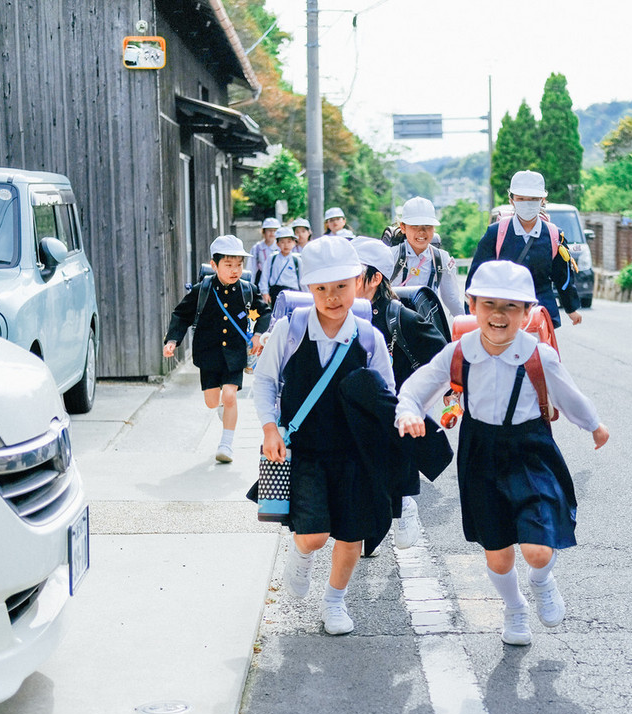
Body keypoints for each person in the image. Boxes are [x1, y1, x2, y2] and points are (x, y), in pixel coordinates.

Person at [396, 261, 609, 646]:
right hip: (480, 454)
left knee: (539, 551)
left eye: (511, 306)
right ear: (472, 304)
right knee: (497, 555)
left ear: (527, 312)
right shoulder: (458, 353)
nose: (498, 314)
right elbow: (417, 387)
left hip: (531, 452)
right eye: (489, 303)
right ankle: (514, 608)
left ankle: (542, 582)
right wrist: (408, 411)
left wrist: (593, 425)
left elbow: (568, 396)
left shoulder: (538, 355)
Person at [252, 236, 395, 635]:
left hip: (355, 454)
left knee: (351, 536)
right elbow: (264, 382)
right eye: (321, 289)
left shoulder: (370, 338)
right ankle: (299, 556)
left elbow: (388, 396)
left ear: (359, 281)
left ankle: (334, 601)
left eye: (341, 287)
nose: (332, 297)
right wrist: (269, 428)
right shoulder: (290, 329)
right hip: (306, 452)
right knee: (313, 536)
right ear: (308, 289)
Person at [352, 237, 448, 557]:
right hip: (353, 412)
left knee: (391, 474)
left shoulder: (399, 317)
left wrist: (438, 395)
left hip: (394, 413)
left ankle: (406, 504)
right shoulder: (336, 313)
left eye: (354, 273)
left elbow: (443, 356)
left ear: (375, 278)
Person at [163, 235, 270, 463]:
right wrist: (172, 340)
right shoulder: (202, 290)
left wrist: (259, 335)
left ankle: (226, 445)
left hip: (235, 353)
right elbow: (181, 315)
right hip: (208, 353)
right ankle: (222, 407)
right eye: (229, 265)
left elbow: (264, 312)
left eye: (239, 265)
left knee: (230, 395)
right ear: (214, 265)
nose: (235, 270)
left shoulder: (247, 290)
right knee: (212, 401)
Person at [466, 171, 582, 328]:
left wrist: (571, 308)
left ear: (543, 200)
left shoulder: (554, 235)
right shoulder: (496, 233)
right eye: (521, 199)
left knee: (541, 353)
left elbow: (563, 276)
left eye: (533, 199)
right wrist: (470, 311)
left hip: (542, 314)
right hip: (503, 311)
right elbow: (478, 273)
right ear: (511, 200)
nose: (527, 204)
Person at [389, 197, 462, 317]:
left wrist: (464, 326)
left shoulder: (441, 259)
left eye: (427, 226)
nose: (422, 231)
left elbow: (451, 299)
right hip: (394, 322)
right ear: (403, 227)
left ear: (434, 228)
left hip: (426, 324)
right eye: (415, 226)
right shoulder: (391, 256)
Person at [260, 226, 301, 305]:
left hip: (294, 292)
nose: (286, 245)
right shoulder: (272, 258)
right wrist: (265, 292)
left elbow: (301, 280)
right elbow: (265, 276)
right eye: (282, 242)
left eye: (289, 241)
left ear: (294, 242)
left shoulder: (297, 260)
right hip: (276, 292)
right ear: (277, 243)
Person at [248, 217, 280, 288]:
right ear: (263, 232)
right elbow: (251, 268)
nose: (272, 233)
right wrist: (250, 285)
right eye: (269, 230)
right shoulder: (257, 248)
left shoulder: (280, 247)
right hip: (260, 279)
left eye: (275, 230)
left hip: (276, 279)